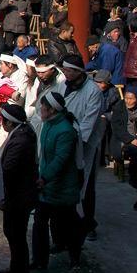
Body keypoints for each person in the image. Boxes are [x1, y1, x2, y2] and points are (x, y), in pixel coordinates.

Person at [32, 92, 83, 270]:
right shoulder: (48, 126)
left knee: (68, 223)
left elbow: (60, 160)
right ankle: (39, 260)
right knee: (40, 222)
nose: (41, 111)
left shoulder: (65, 131)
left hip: (62, 186)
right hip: (47, 185)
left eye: (43, 108)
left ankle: (74, 257)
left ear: (52, 110)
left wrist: (44, 178)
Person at [61, 54, 106, 238]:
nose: (66, 74)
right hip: (65, 139)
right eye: (64, 70)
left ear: (79, 72)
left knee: (86, 184)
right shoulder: (63, 85)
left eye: (69, 70)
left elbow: (89, 122)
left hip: (84, 143)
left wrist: (74, 139)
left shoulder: (93, 92)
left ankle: (89, 223)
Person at [0, 103, 37, 273]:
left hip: (19, 195)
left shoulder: (21, 140)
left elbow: (8, 169)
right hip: (17, 193)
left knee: (17, 236)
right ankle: (15, 267)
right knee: (11, 233)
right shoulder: (22, 133)